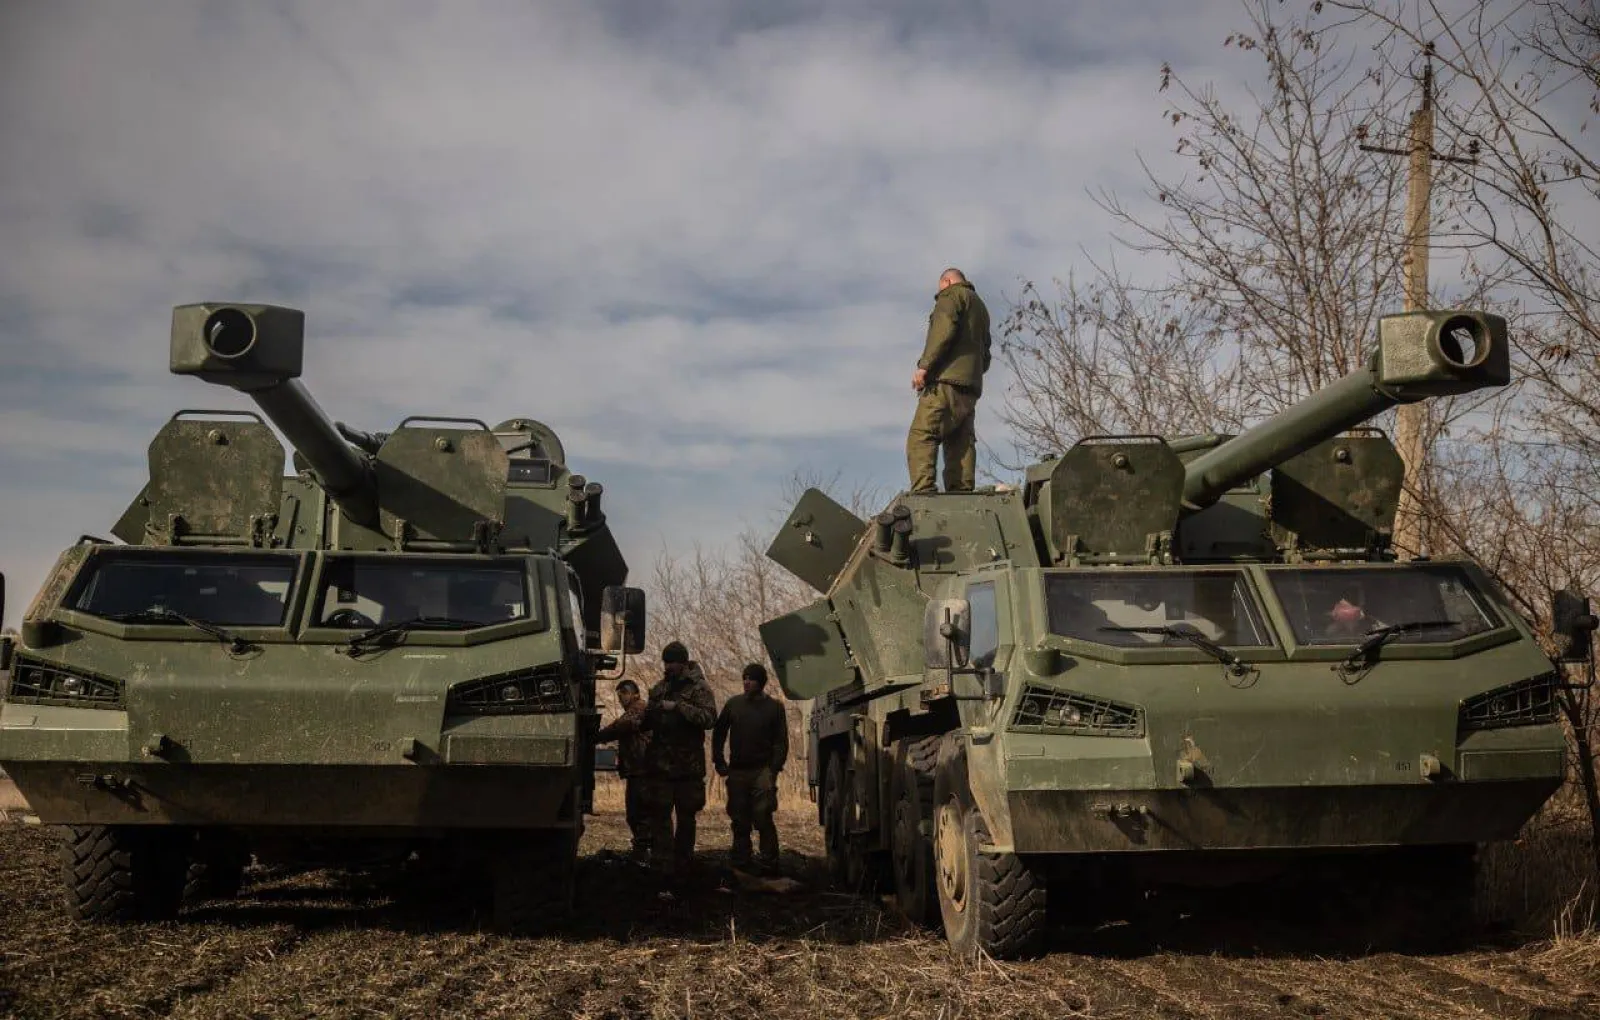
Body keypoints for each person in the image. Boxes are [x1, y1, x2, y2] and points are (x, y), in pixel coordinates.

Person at [907, 267, 992, 494]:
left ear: (947, 282)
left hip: (945, 382)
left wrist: (924, 366)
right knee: (960, 441)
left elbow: (942, 331)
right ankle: (961, 493)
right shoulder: (981, 308)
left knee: (922, 435)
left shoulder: (951, 296)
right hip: (970, 387)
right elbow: (986, 355)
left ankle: (924, 492)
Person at [638, 641, 718, 879]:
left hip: (688, 768)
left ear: (683, 663)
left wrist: (679, 708)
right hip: (661, 767)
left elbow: (709, 718)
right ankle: (662, 865)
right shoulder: (660, 688)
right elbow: (647, 722)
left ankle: (684, 864)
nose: (668, 667)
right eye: (666, 662)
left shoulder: (699, 688)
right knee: (660, 817)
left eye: (672, 662)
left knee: (686, 818)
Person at [712, 663, 790, 872]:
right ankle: (741, 859)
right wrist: (719, 761)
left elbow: (781, 741)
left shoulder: (774, 707)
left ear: (761, 682)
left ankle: (769, 860)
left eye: (751, 679)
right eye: (744, 678)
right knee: (739, 818)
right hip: (738, 770)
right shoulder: (734, 704)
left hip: (762, 770)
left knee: (763, 816)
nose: (746, 682)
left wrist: (774, 769)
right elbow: (719, 733)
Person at [595, 678, 652, 861]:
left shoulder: (639, 708)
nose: (621, 699)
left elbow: (622, 726)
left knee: (639, 813)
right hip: (637, 770)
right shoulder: (634, 710)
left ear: (634, 694)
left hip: (643, 770)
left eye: (623, 694)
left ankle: (644, 852)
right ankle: (643, 850)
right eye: (619, 695)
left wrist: (598, 736)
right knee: (635, 813)